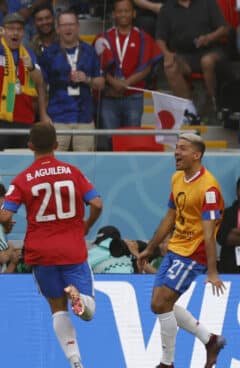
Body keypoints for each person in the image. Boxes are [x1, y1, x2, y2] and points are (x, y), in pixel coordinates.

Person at [0, 122, 103, 368]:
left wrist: (7, 226)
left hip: (40, 253)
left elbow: (4, 215)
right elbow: (97, 203)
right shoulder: (73, 172)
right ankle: (79, 297)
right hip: (72, 249)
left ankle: (75, 360)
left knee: (57, 309)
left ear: (30, 145)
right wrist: (87, 224)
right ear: (57, 145)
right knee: (88, 311)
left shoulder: (22, 179)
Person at [137, 133, 226, 368]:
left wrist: (213, 271)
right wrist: (151, 248)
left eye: (183, 149)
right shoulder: (177, 178)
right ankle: (210, 340)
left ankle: (167, 363)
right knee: (159, 304)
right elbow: (170, 216)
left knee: (160, 304)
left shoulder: (209, 189)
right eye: (176, 148)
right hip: (175, 248)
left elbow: (209, 233)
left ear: (196, 155)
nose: (176, 152)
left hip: (193, 253)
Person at [94, 0, 162, 151]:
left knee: (132, 141)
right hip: (109, 97)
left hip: (134, 97)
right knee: (110, 141)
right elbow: (98, 66)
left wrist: (126, 83)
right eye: (119, 11)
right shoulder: (103, 38)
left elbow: (147, 68)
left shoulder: (143, 37)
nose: (123, 14)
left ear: (134, 13)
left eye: (127, 11)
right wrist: (114, 83)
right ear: (113, 14)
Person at [38, 10, 104, 152]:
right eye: (64, 25)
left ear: (78, 27)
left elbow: (101, 82)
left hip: (84, 117)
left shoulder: (89, 51)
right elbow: (41, 85)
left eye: (71, 24)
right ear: (58, 28)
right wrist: (43, 114)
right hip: (58, 116)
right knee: (55, 164)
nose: (68, 28)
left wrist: (87, 79)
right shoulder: (48, 54)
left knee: (84, 165)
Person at [0, 13, 49, 151]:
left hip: (24, 118)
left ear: (23, 33)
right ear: (4, 31)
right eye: (11, 28)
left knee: (22, 165)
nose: (15, 32)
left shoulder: (28, 53)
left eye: (19, 29)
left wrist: (31, 67)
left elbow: (39, 81)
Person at [156, 0, 228, 119]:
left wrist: (209, 38)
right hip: (183, 56)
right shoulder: (166, 8)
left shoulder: (208, 3)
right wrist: (167, 54)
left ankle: (213, 104)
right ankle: (189, 111)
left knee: (207, 61)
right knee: (170, 67)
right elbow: (160, 38)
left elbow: (224, 28)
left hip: (211, 50)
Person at [217, 177, 240, 273]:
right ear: (238, 191)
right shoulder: (226, 214)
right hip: (230, 268)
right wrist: (230, 235)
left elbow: (232, 237)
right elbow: (223, 238)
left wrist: (235, 232)